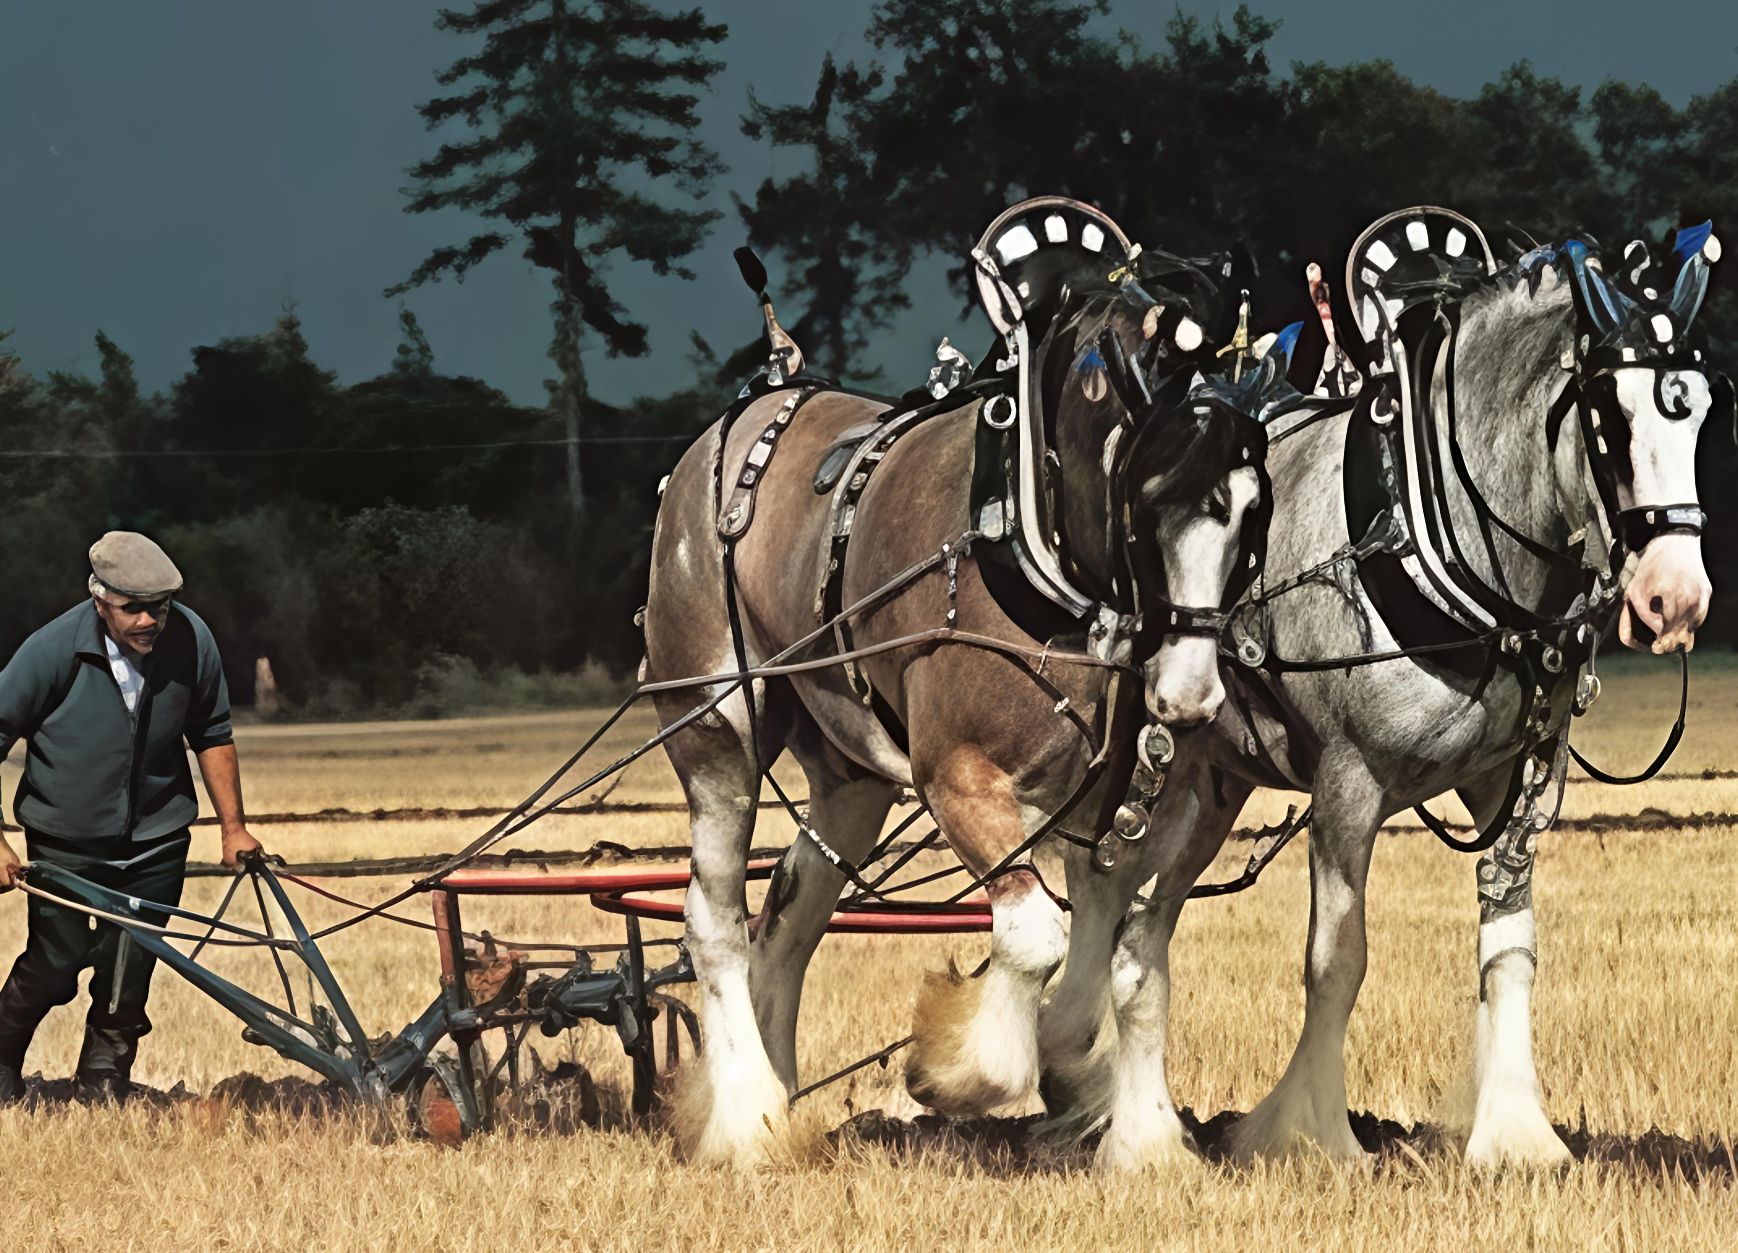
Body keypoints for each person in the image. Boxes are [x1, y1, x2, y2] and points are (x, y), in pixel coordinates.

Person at [0, 532, 264, 1103]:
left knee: (129, 968)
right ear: (100, 600)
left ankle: (102, 1081)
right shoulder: (52, 650)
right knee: (56, 963)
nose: (149, 620)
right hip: (68, 841)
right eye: (133, 608)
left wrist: (233, 826)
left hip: (157, 839)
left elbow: (212, 734)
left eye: (160, 607)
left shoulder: (191, 640)